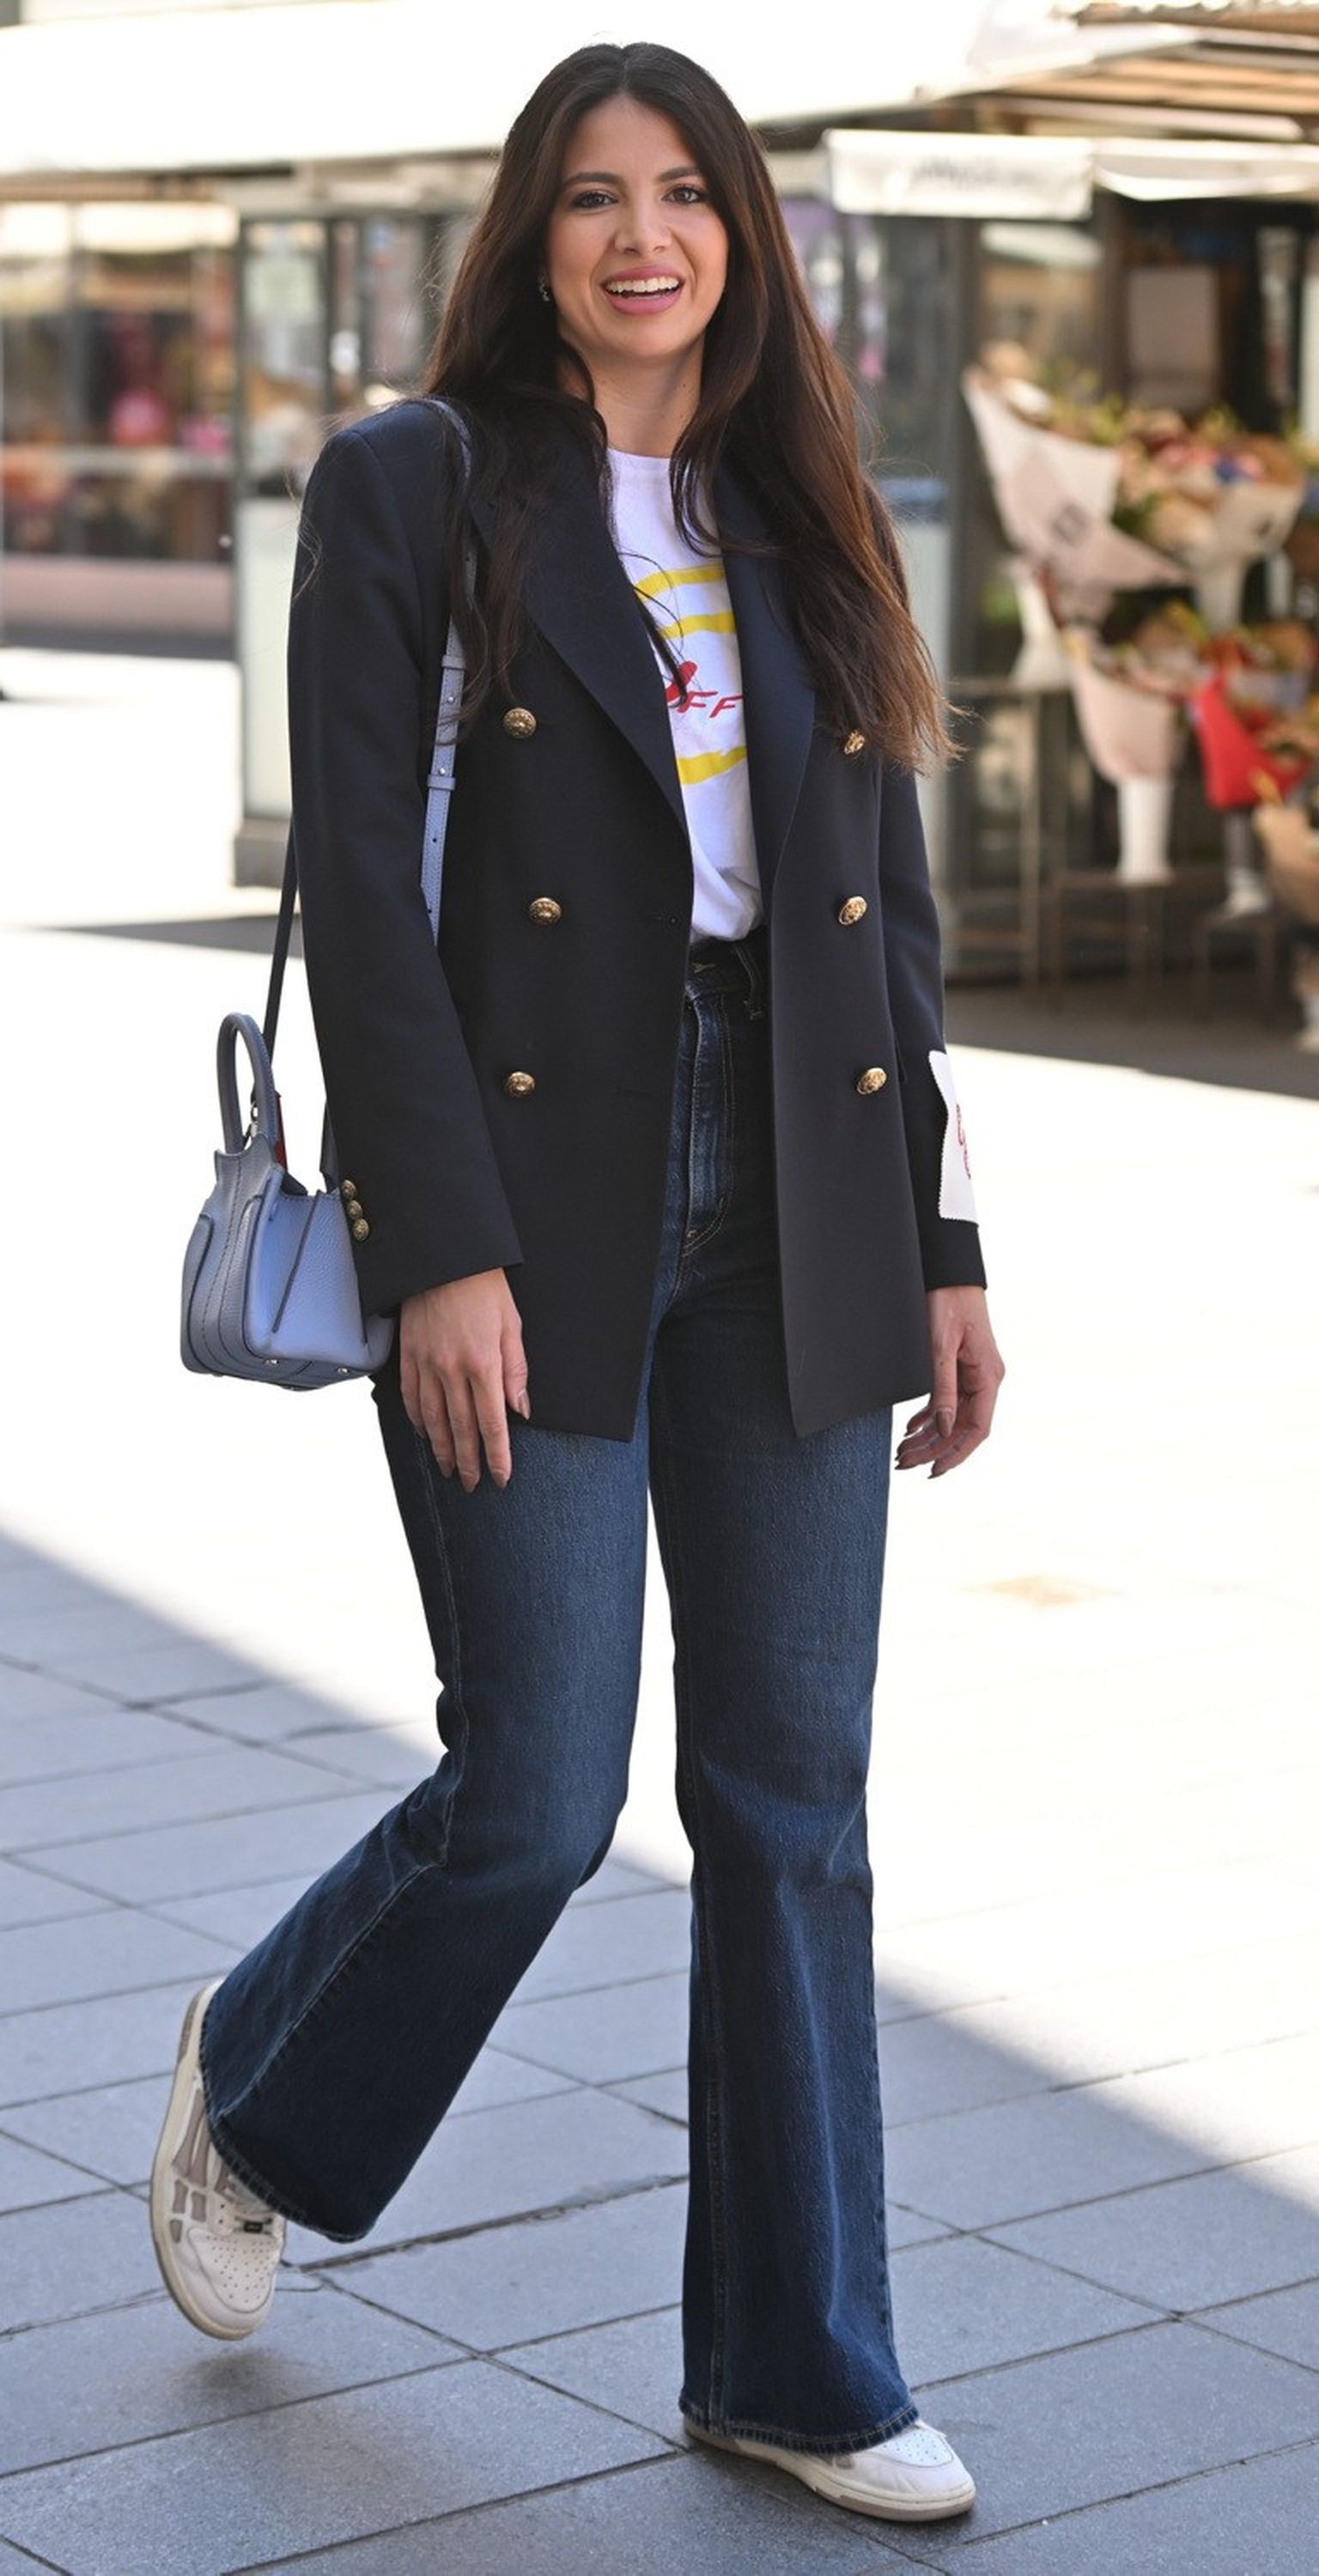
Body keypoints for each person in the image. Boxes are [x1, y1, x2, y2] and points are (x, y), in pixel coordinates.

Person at [150, 39, 1005, 2529]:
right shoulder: (419, 482)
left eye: (689, 195)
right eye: (597, 198)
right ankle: (261, 2092)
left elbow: (890, 921)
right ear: (533, 237)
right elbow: (366, 894)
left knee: (792, 1793)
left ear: (746, 233)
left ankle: (800, 2364)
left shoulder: (801, 501)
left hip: (801, 1186)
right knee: (534, 1791)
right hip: (538, 1188)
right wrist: (437, 1245)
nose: (647, 238)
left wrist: (943, 1243)